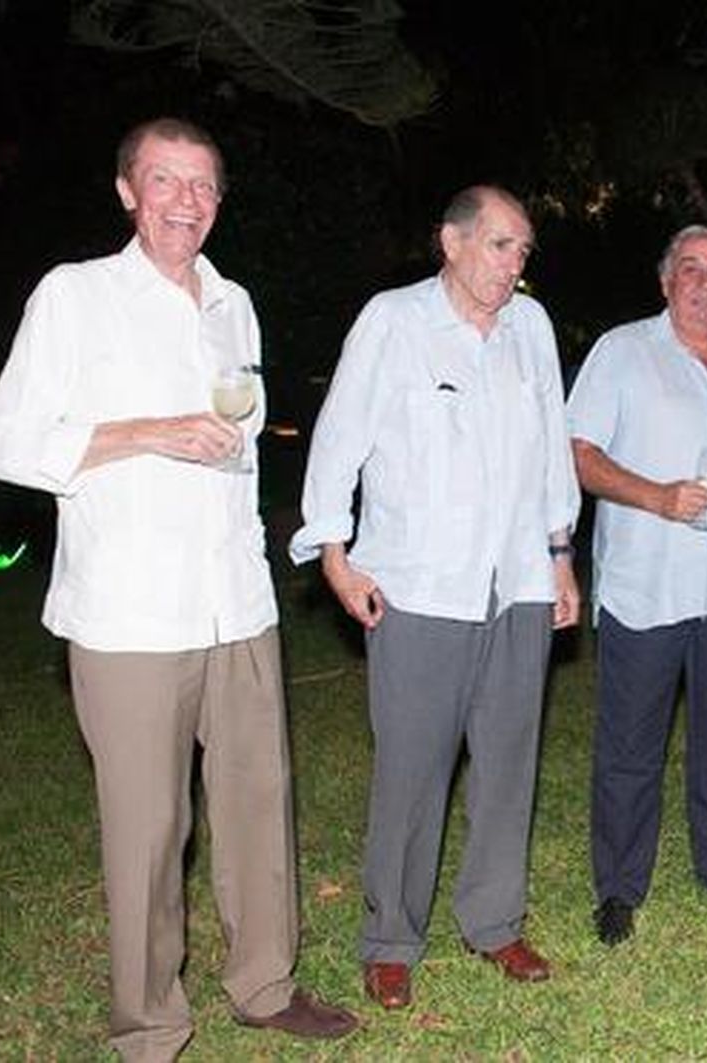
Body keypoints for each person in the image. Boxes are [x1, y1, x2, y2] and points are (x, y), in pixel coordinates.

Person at [0, 117, 357, 1061]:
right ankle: (149, 1021)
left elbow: (240, 427)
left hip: (236, 601)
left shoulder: (235, 304)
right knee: (148, 827)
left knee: (259, 800)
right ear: (126, 193)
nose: (185, 200)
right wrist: (144, 430)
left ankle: (264, 983)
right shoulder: (75, 296)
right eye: (164, 181)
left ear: (219, 199)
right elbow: (1, 442)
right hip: (129, 610)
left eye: (202, 185)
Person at [290, 186, 580, 1006]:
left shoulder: (532, 329)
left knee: (507, 765)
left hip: (518, 582)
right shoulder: (394, 320)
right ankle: (390, 936)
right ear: (450, 242)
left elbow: (552, 448)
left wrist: (559, 555)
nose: (513, 265)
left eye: (523, 251)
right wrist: (334, 551)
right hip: (420, 584)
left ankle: (494, 921)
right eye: (499, 245)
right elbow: (339, 434)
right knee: (413, 770)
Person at [568, 224, 707, 946]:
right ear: (666, 280)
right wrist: (655, 496)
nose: (705, 282)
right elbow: (577, 455)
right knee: (632, 744)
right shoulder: (623, 351)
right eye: (691, 268)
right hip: (646, 582)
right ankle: (620, 885)